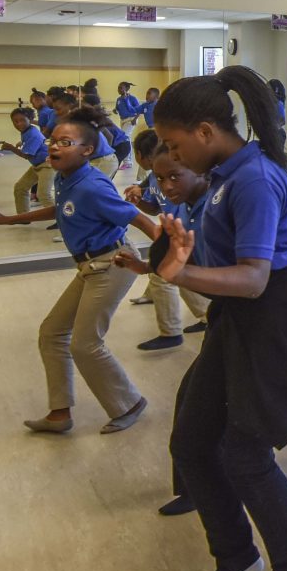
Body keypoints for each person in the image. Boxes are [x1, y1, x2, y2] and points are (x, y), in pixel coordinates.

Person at [152, 66, 287, 571]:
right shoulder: (226, 175)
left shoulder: (254, 179)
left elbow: (255, 277)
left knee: (245, 453)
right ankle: (235, 561)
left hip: (277, 322)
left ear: (206, 131)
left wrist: (179, 275)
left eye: (174, 142)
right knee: (192, 441)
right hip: (238, 319)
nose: (171, 154)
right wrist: (179, 250)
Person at [0, 105, 155, 435]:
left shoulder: (92, 186)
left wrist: (163, 250)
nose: (54, 147)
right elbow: (58, 210)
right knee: (52, 333)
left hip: (113, 264)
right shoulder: (67, 178)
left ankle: (129, 402)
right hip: (89, 266)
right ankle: (59, 414)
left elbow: (135, 215)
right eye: (53, 141)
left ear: (87, 150)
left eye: (65, 143)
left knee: (85, 344)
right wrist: (7, 219)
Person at [115, 139, 214, 518]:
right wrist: (148, 269)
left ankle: (206, 488)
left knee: (212, 417)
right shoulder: (186, 210)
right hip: (227, 322)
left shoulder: (216, 208)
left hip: (253, 326)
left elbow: (258, 271)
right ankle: (193, 488)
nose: (166, 186)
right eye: (160, 178)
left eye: (175, 176)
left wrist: (178, 272)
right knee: (193, 411)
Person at [123, 129, 209, 350]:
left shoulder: (179, 169)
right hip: (172, 233)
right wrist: (139, 200)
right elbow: (154, 207)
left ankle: (171, 332)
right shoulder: (153, 177)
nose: (167, 184)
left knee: (163, 277)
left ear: (143, 155)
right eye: (162, 179)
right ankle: (205, 317)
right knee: (177, 276)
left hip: (184, 233)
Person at [2, 107, 54, 216]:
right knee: (20, 188)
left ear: (30, 119)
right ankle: (23, 216)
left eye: (22, 120)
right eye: (15, 121)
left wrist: (11, 148)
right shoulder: (28, 130)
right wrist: (22, 143)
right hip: (37, 165)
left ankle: (59, 218)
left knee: (43, 194)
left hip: (47, 165)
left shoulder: (33, 133)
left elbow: (26, 155)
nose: (18, 124)